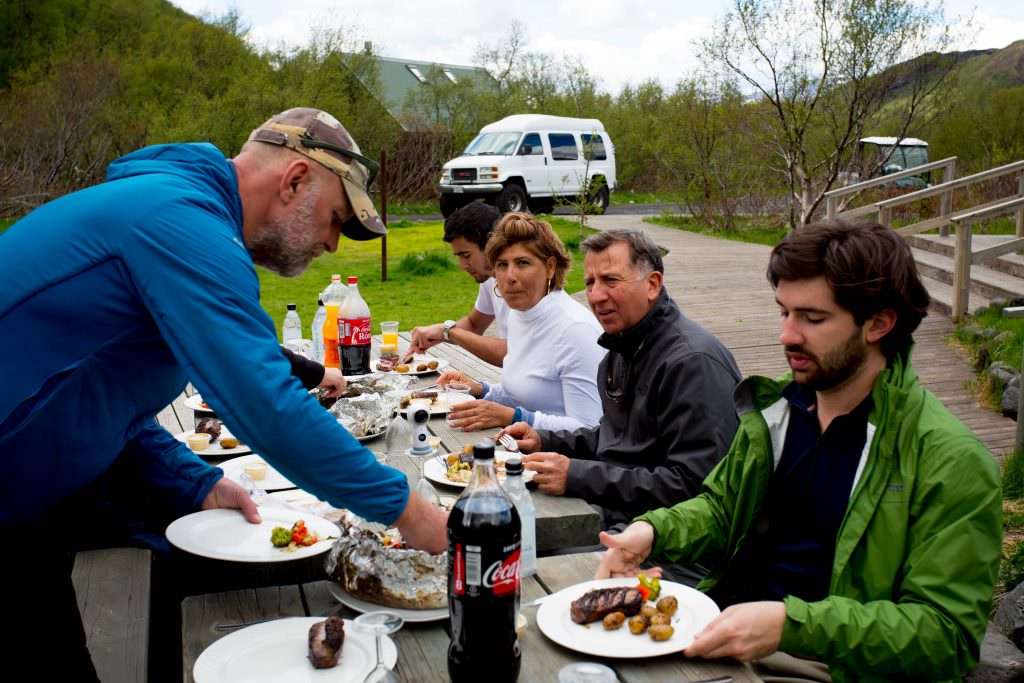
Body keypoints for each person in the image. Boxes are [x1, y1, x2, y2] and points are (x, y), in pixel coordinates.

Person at [0, 107, 447, 678]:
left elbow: (105, 405)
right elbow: (267, 404)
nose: (334, 244)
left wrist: (198, 483)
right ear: (294, 182)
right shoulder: (178, 221)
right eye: (336, 219)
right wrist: (407, 510)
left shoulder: (177, 212)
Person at [596, 219, 1002, 682]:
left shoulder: (950, 460)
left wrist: (792, 625)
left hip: (827, 665)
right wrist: (651, 531)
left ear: (880, 323)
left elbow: (946, 636)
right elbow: (723, 507)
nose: (788, 335)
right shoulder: (777, 412)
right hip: (727, 635)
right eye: (784, 312)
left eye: (813, 318)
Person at [502, 230, 741, 544]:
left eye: (611, 281)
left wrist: (577, 476)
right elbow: (615, 438)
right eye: (590, 283)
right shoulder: (621, 348)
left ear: (652, 285)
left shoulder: (693, 363)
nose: (597, 295)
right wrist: (544, 441)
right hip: (619, 513)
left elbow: (695, 487)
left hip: (673, 544)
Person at [438, 211, 605, 432]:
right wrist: (481, 390)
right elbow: (524, 389)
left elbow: (590, 427)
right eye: (502, 265)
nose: (510, 276)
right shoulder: (520, 314)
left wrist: (514, 417)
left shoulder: (575, 330)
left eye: (522, 263)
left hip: (568, 461)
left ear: (550, 267)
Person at [409, 201, 509, 366]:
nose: (462, 266)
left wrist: (448, 331)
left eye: (466, 255)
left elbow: (512, 354)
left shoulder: (526, 286)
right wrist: (439, 332)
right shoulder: (490, 278)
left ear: (492, 245)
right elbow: (474, 324)